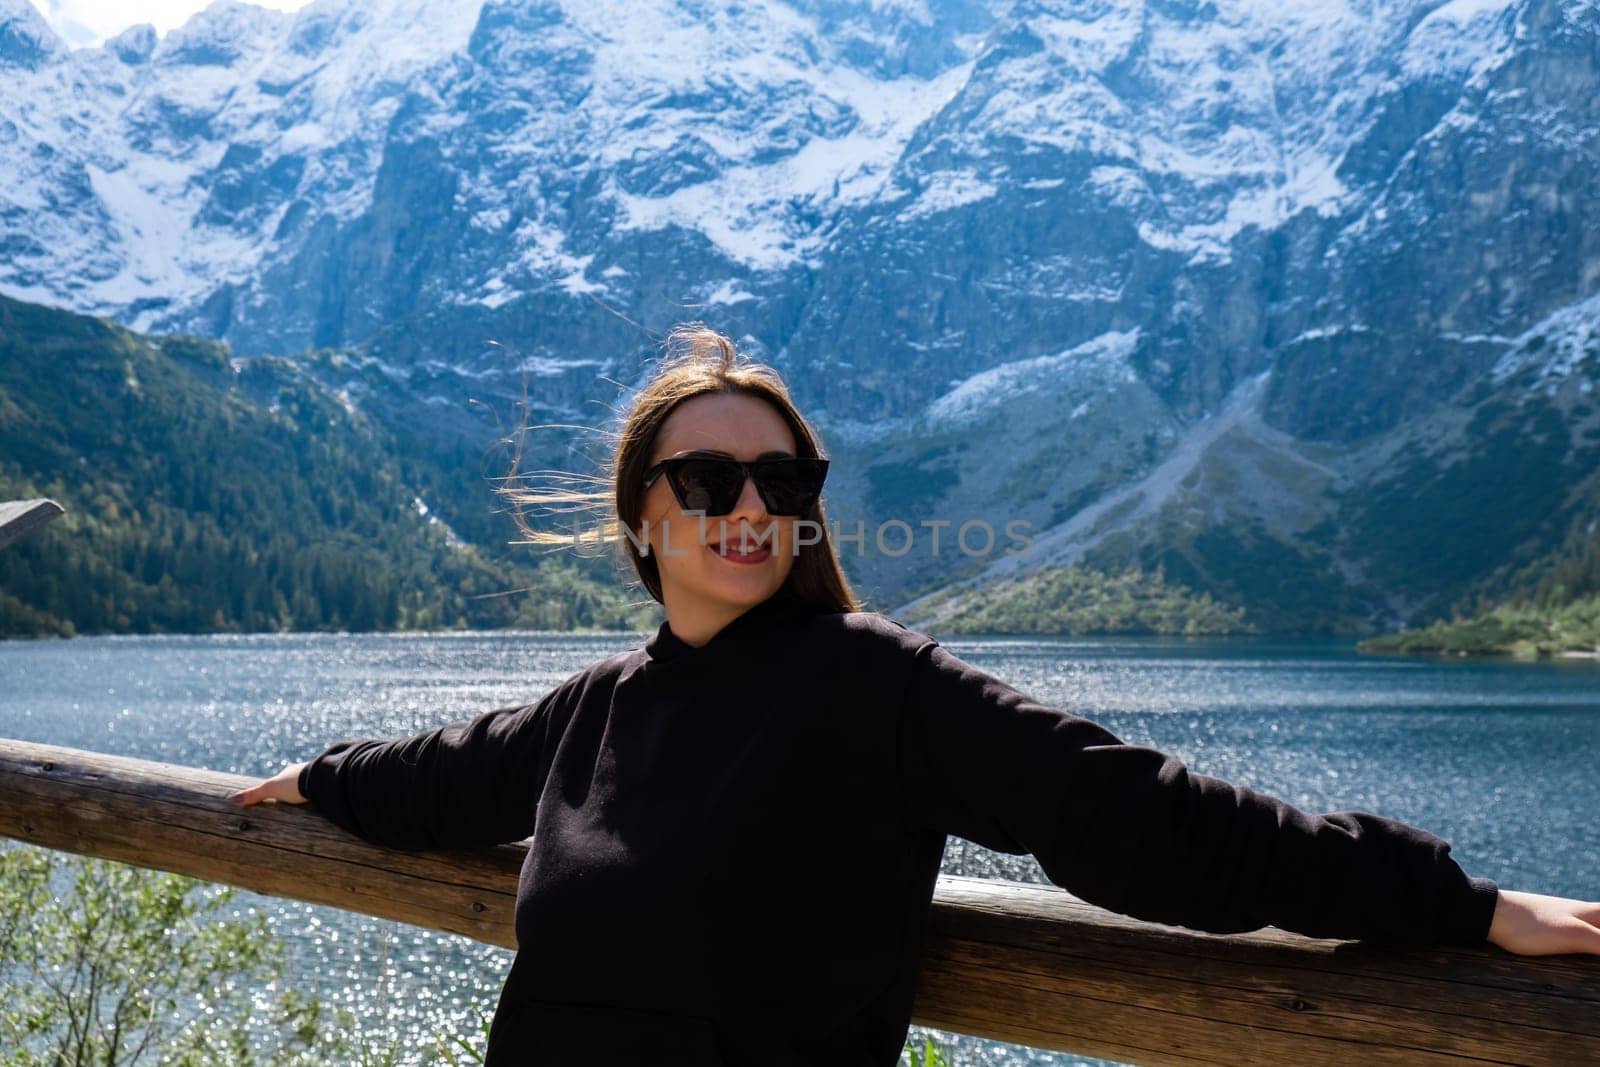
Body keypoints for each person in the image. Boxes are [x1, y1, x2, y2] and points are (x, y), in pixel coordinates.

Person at [231, 324, 1600, 1066]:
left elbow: (1136, 816)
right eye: (709, 484)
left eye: (788, 484)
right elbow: (446, 776)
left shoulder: (875, 688)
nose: (754, 508)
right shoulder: (597, 709)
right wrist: (318, 779)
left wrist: (1460, 904)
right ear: (642, 520)